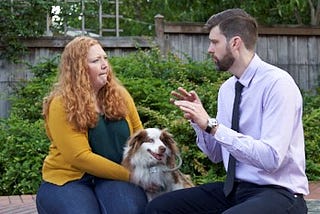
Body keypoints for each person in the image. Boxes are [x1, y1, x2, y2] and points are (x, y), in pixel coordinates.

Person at [145, 8, 309, 214]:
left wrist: (212, 126)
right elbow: (216, 155)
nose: (209, 49)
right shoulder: (228, 89)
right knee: (160, 208)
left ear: (235, 43)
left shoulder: (278, 84)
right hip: (236, 189)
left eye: (214, 42)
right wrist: (198, 120)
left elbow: (271, 159)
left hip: (280, 192)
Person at [36, 36, 148, 214]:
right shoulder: (61, 103)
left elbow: (140, 136)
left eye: (105, 58)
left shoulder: (120, 95)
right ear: (79, 69)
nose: (105, 65)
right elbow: (80, 157)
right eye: (96, 60)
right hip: (70, 179)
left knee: (129, 210)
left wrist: (152, 169)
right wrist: (132, 176)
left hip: (115, 176)